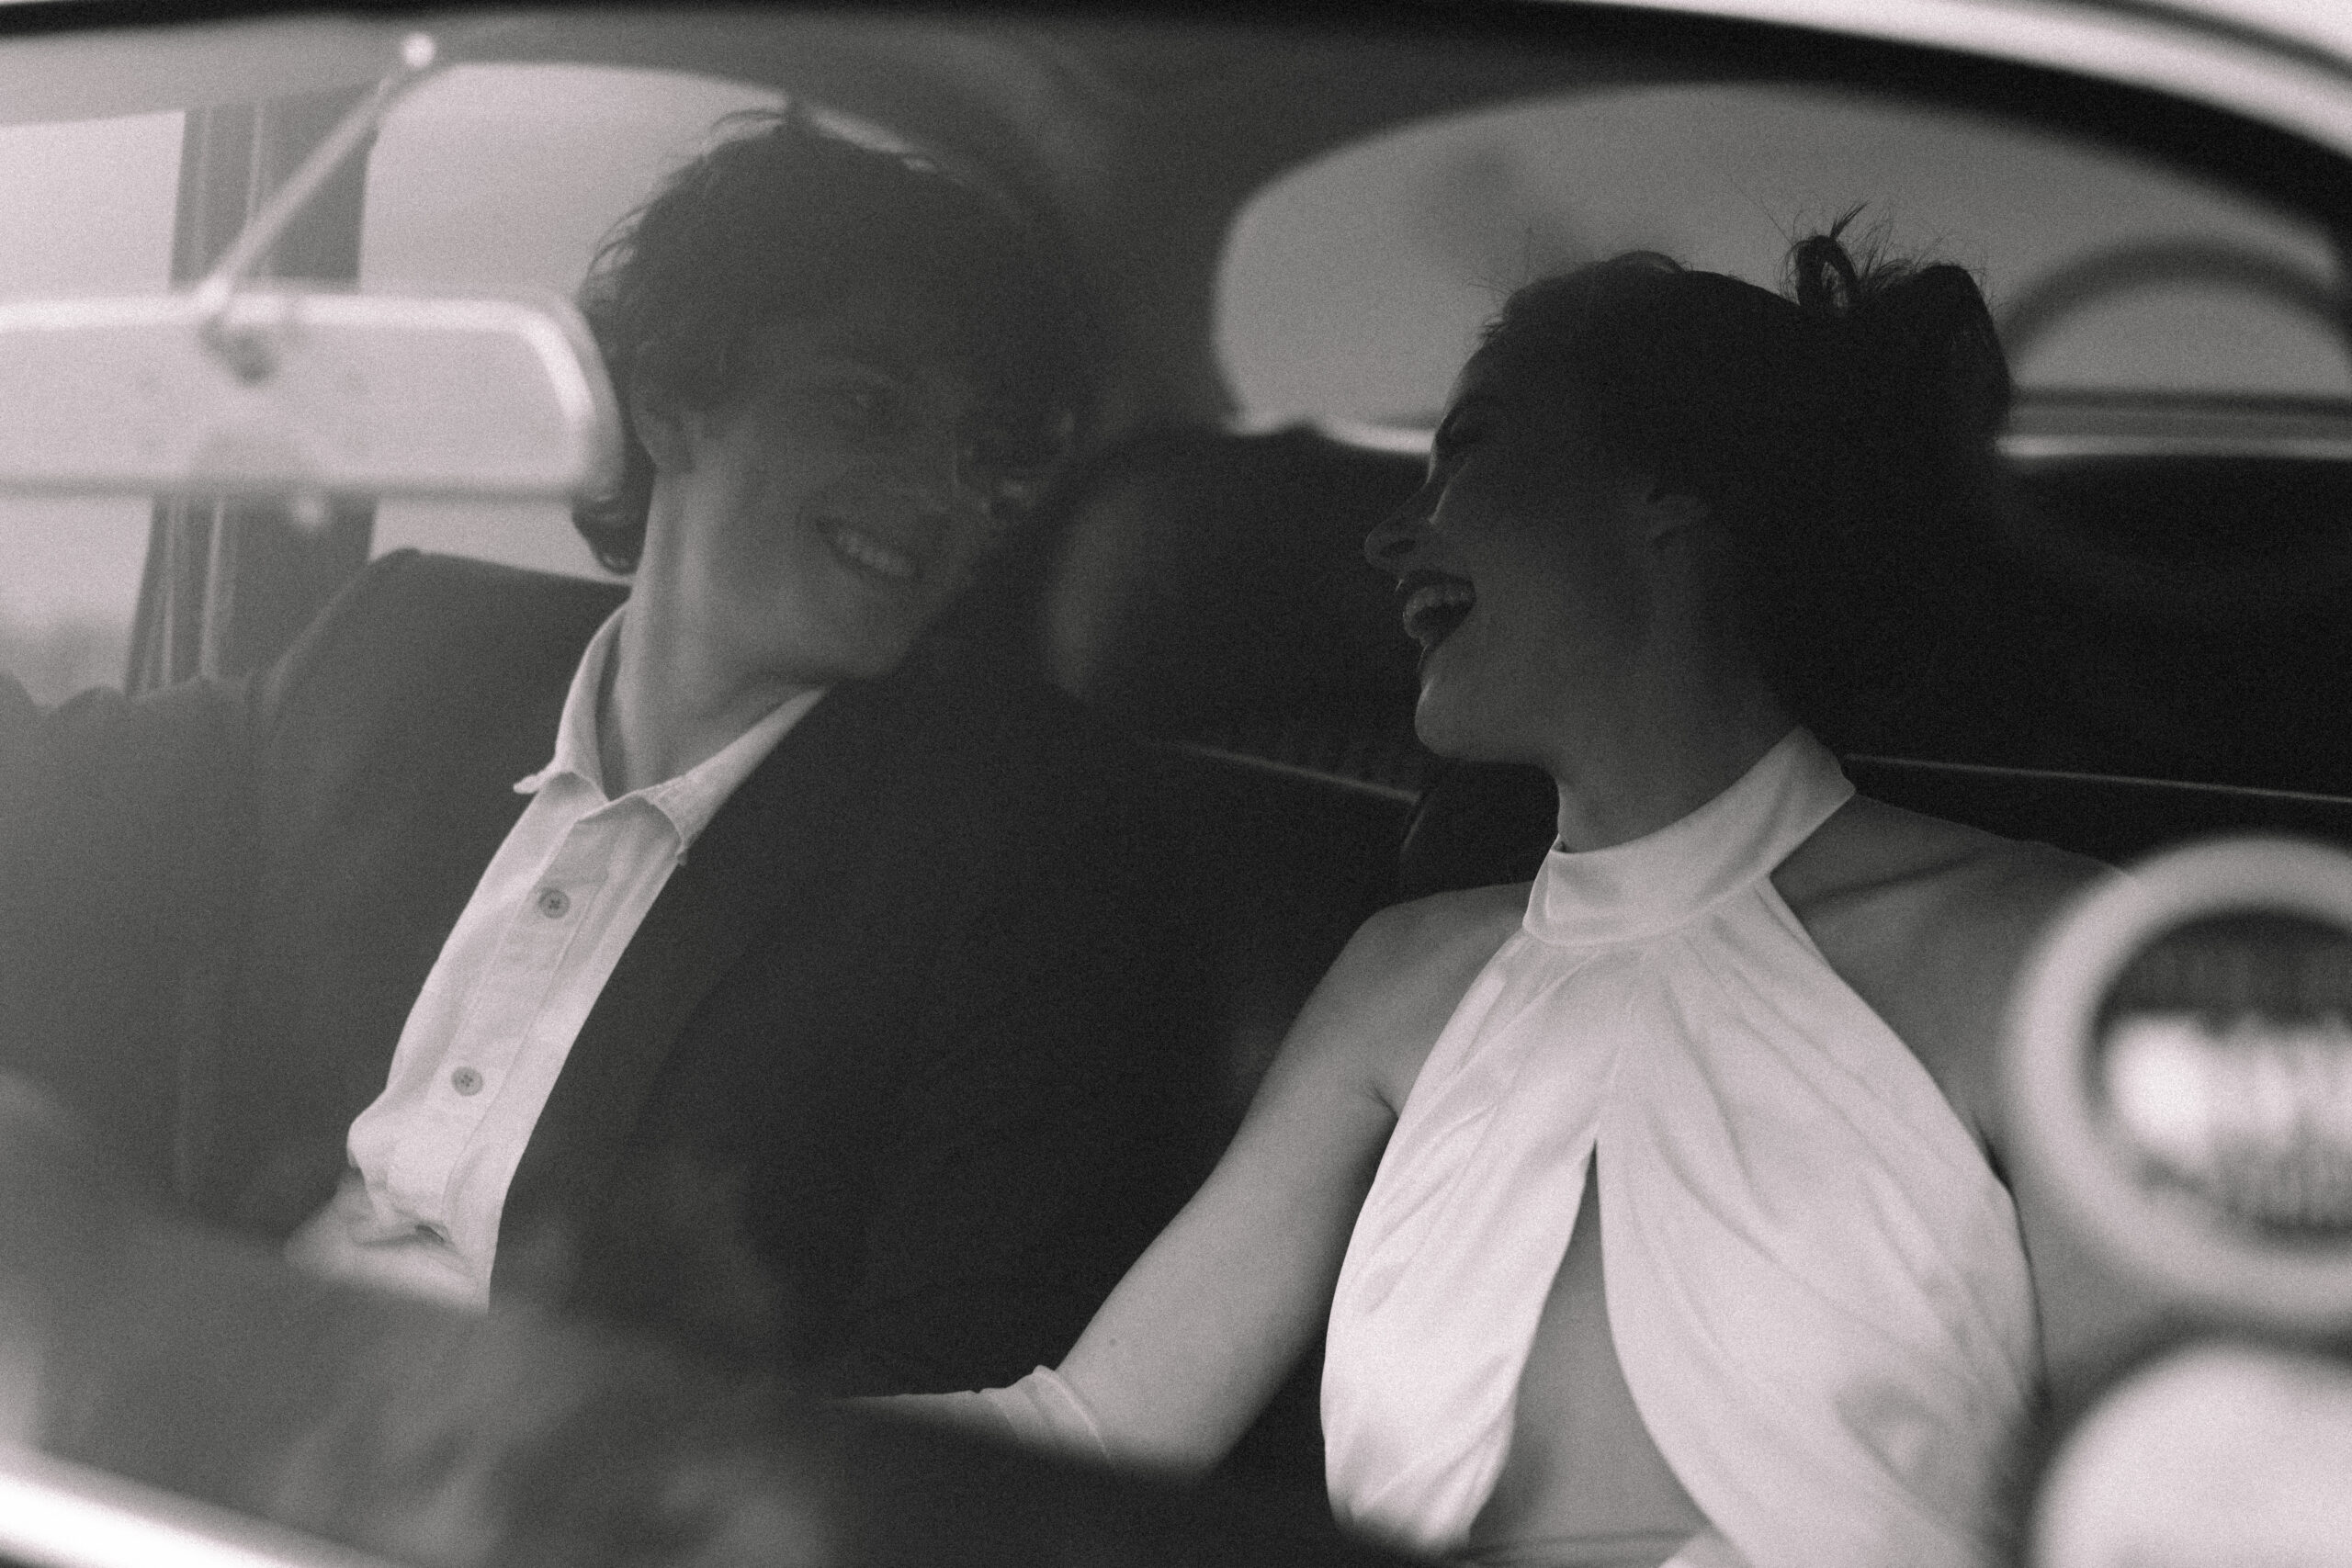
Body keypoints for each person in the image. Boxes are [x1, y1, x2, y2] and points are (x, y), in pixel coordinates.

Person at [882, 231, 2115, 1567]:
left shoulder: (2049, 962)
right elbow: (1101, 1426)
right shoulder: (1398, 979)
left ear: (1671, 487)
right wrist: (685, 1442)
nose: (1391, 533)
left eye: (1467, 450)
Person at [0, 109, 1201, 1394]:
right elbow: (50, 796)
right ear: (676, 399)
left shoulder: (1037, 845)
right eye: (869, 407)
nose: (936, 496)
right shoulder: (408, 647)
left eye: (979, 455)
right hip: (161, 1415)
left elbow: (938, 1391)